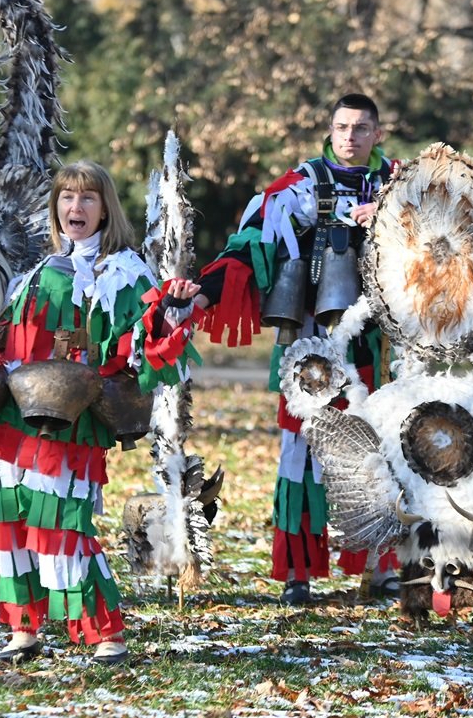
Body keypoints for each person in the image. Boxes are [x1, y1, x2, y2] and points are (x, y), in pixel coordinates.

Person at [0, 161, 201, 666]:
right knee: (13, 525)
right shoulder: (34, 273)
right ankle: (22, 632)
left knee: (66, 526)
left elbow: (144, 343)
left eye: (88, 198)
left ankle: (105, 637)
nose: (75, 207)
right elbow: (0, 341)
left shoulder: (125, 273)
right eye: (67, 197)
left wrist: (173, 311)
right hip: (11, 422)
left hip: (71, 423)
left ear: (105, 209)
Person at [191, 93, 400, 605]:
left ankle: (383, 567)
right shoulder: (300, 185)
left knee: (379, 450)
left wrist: (395, 218)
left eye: (361, 127)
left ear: (378, 133)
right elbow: (251, 245)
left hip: (374, 342)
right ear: (330, 130)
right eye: (342, 126)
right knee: (300, 455)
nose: (350, 136)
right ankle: (298, 572)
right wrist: (203, 292)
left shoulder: (402, 185)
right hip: (307, 343)